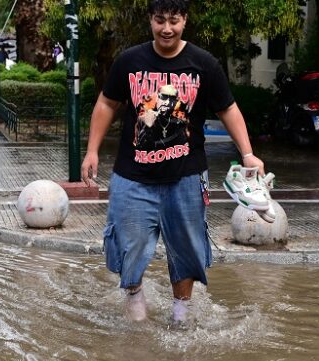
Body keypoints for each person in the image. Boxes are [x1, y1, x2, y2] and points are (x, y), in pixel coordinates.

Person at [81, 0, 265, 326]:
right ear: (150, 20)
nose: (167, 28)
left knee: (186, 245)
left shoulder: (203, 63)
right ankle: (134, 294)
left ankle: (181, 309)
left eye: (174, 21)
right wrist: (92, 150)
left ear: (185, 21)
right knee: (129, 242)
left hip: (186, 176)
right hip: (132, 176)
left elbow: (228, 109)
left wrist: (248, 153)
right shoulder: (130, 60)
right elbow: (107, 104)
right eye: (160, 20)